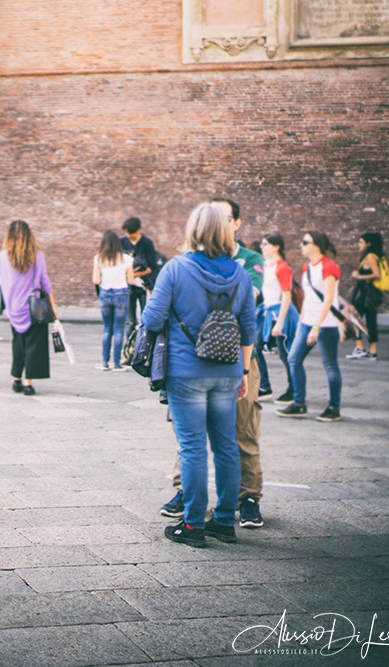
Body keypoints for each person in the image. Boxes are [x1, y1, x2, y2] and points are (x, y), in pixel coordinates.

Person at [143, 202, 254, 547]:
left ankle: (192, 525)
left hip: (186, 372)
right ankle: (224, 522)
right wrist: (245, 372)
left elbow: (151, 320)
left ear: (193, 231)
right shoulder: (240, 274)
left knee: (191, 448)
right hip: (228, 371)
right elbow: (249, 329)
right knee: (226, 447)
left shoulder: (175, 269)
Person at [277, 231, 343, 423]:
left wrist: (316, 326)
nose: (301, 245)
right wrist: (301, 323)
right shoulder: (307, 268)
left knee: (330, 364)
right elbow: (308, 298)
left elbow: (329, 299)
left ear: (317, 246)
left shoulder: (328, 267)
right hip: (308, 322)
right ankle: (299, 403)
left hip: (326, 324)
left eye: (305, 242)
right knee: (293, 359)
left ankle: (334, 407)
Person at [0, 220, 58, 395]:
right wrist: (53, 306)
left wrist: (8, 305)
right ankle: (28, 383)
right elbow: (45, 282)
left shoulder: (2, 257)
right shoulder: (37, 255)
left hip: (14, 307)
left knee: (18, 343)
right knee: (33, 344)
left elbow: (3, 283)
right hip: (34, 307)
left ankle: (16, 379)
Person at [261, 233, 299, 406]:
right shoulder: (266, 266)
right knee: (255, 345)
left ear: (276, 246)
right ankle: (265, 386)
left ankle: (294, 390)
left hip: (282, 313)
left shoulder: (282, 267)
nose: (262, 247)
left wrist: (280, 322)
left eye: (266, 244)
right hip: (269, 311)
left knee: (287, 354)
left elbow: (286, 296)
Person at [92, 230, 134, 371]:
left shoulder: (98, 259)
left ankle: (104, 363)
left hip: (105, 293)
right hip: (121, 294)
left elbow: (96, 280)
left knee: (107, 329)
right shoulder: (126, 259)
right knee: (118, 329)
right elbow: (131, 280)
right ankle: (116, 363)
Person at [347, 232, 385, 360]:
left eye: (361, 242)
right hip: (369, 293)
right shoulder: (371, 256)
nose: (358, 245)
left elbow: (377, 274)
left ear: (368, 244)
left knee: (353, 316)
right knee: (369, 320)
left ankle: (360, 348)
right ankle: (371, 351)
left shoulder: (370, 257)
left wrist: (360, 276)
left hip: (367, 294)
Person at [120, 217, 158, 332]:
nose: (128, 236)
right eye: (126, 233)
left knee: (144, 317)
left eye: (130, 233)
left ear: (138, 231)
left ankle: (143, 344)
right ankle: (129, 346)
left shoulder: (146, 243)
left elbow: (152, 267)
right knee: (130, 321)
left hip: (143, 284)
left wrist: (135, 274)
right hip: (128, 286)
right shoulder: (122, 242)